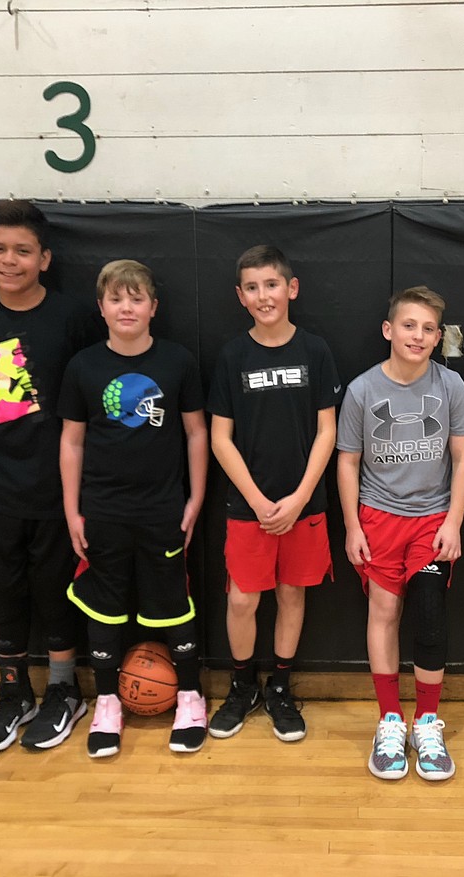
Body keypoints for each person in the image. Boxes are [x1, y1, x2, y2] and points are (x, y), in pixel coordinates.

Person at [0, 200, 102, 753]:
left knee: (55, 591)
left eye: (23, 251)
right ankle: (14, 693)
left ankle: (63, 691)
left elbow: (88, 402)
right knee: (3, 590)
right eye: (0, 250)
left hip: (56, 487)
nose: (11, 260)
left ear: (45, 258)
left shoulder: (73, 318)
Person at [58, 259, 209, 758]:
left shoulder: (178, 361)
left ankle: (189, 696)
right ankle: (106, 703)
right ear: (101, 307)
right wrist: (72, 509)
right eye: (117, 299)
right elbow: (72, 443)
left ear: (153, 308)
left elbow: (195, 433)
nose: (127, 307)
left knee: (172, 606)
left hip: (162, 510)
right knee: (105, 609)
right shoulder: (83, 367)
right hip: (101, 511)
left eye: (137, 298)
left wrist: (196, 497)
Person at [336, 286, 464, 781]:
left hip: (432, 519)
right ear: (389, 331)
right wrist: (352, 524)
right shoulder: (362, 390)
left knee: (430, 614)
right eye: (409, 325)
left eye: (429, 328)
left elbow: (463, 456)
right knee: (385, 611)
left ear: (439, 337)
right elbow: (347, 461)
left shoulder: (451, 386)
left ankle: (428, 721)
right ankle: (390, 720)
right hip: (378, 517)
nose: (419, 335)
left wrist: (454, 521)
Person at [206, 245, 340, 743]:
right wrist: (260, 501)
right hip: (249, 508)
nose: (264, 295)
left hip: (304, 505)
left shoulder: (315, 351)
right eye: (253, 287)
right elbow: (220, 437)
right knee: (242, 600)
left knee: (291, 594)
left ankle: (280, 686)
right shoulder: (232, 355)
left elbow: (328, 431)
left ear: (292, 288)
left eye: (272, 285)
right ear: (240, 297)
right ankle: (243, 686)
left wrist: (301, 496)